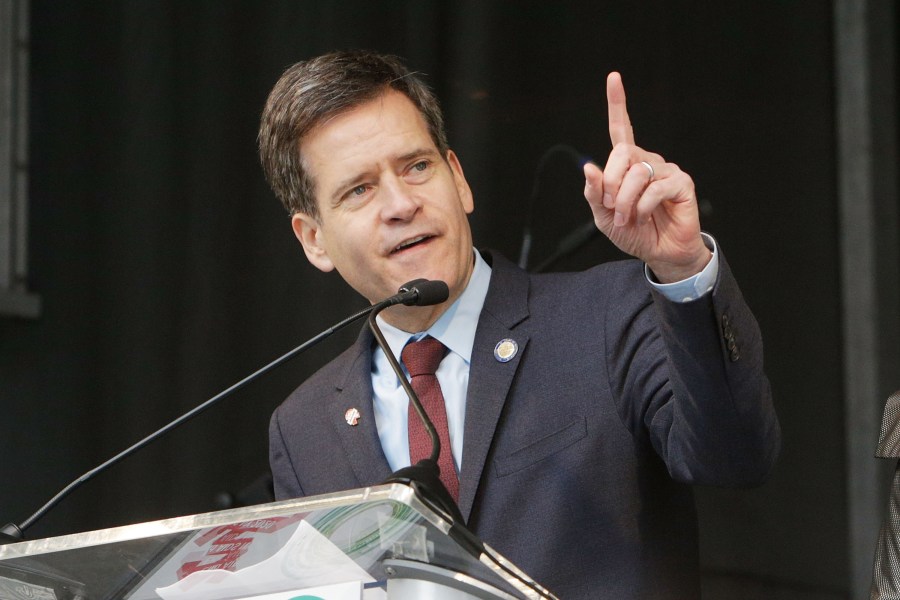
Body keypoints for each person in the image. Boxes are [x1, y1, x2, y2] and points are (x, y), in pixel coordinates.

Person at [258, 50, 781, 599]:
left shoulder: (606, 315)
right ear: (313, 238)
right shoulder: (302, 430)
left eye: (416, 166)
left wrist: (682, 269)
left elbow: (735, 457)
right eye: (358, 190)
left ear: (458, 179)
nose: (400, 204)